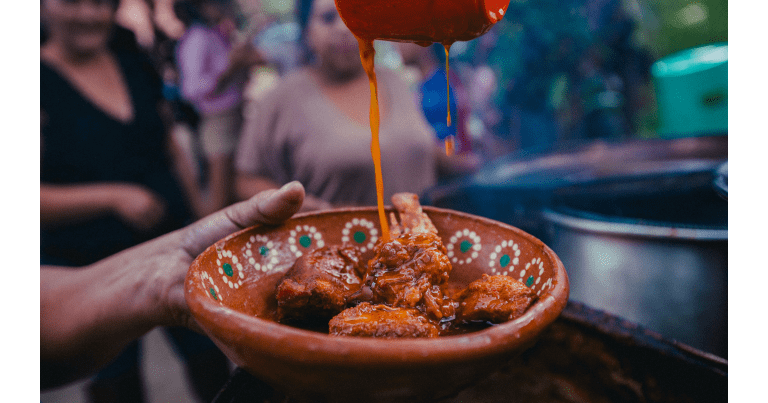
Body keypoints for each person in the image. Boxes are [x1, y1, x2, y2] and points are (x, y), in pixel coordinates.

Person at [39, 0, 224, 400]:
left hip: (170, 242)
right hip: (88, 265)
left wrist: (200, 213)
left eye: (99, 4)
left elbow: (169, 145)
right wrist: (111, 197)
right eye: (71, 3)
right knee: (117, 383)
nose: (88, 15)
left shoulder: (132, 59)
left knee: (212, 357)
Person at [41, 182, 305, 389]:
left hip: (166, 233)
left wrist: (178, 253)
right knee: (118, 374)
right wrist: (113, 196)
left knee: (206, 357)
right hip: (80, 248)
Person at [235, 0, 443, 208]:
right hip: (338, 237)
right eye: (328, 18)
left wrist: (467, 164)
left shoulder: (394, 81)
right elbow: (246, 181)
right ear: (307, 31)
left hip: (421, 234)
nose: (344, 28)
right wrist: (302, 205)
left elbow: (413, 148)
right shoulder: (282, 99)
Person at [175, 0, 263, 216]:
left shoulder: (217, 34)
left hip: (235, 117)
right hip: (217, 122)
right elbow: (190, 89)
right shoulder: (197, 38)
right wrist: (229, 67)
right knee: (218, 200)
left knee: (235, 191)